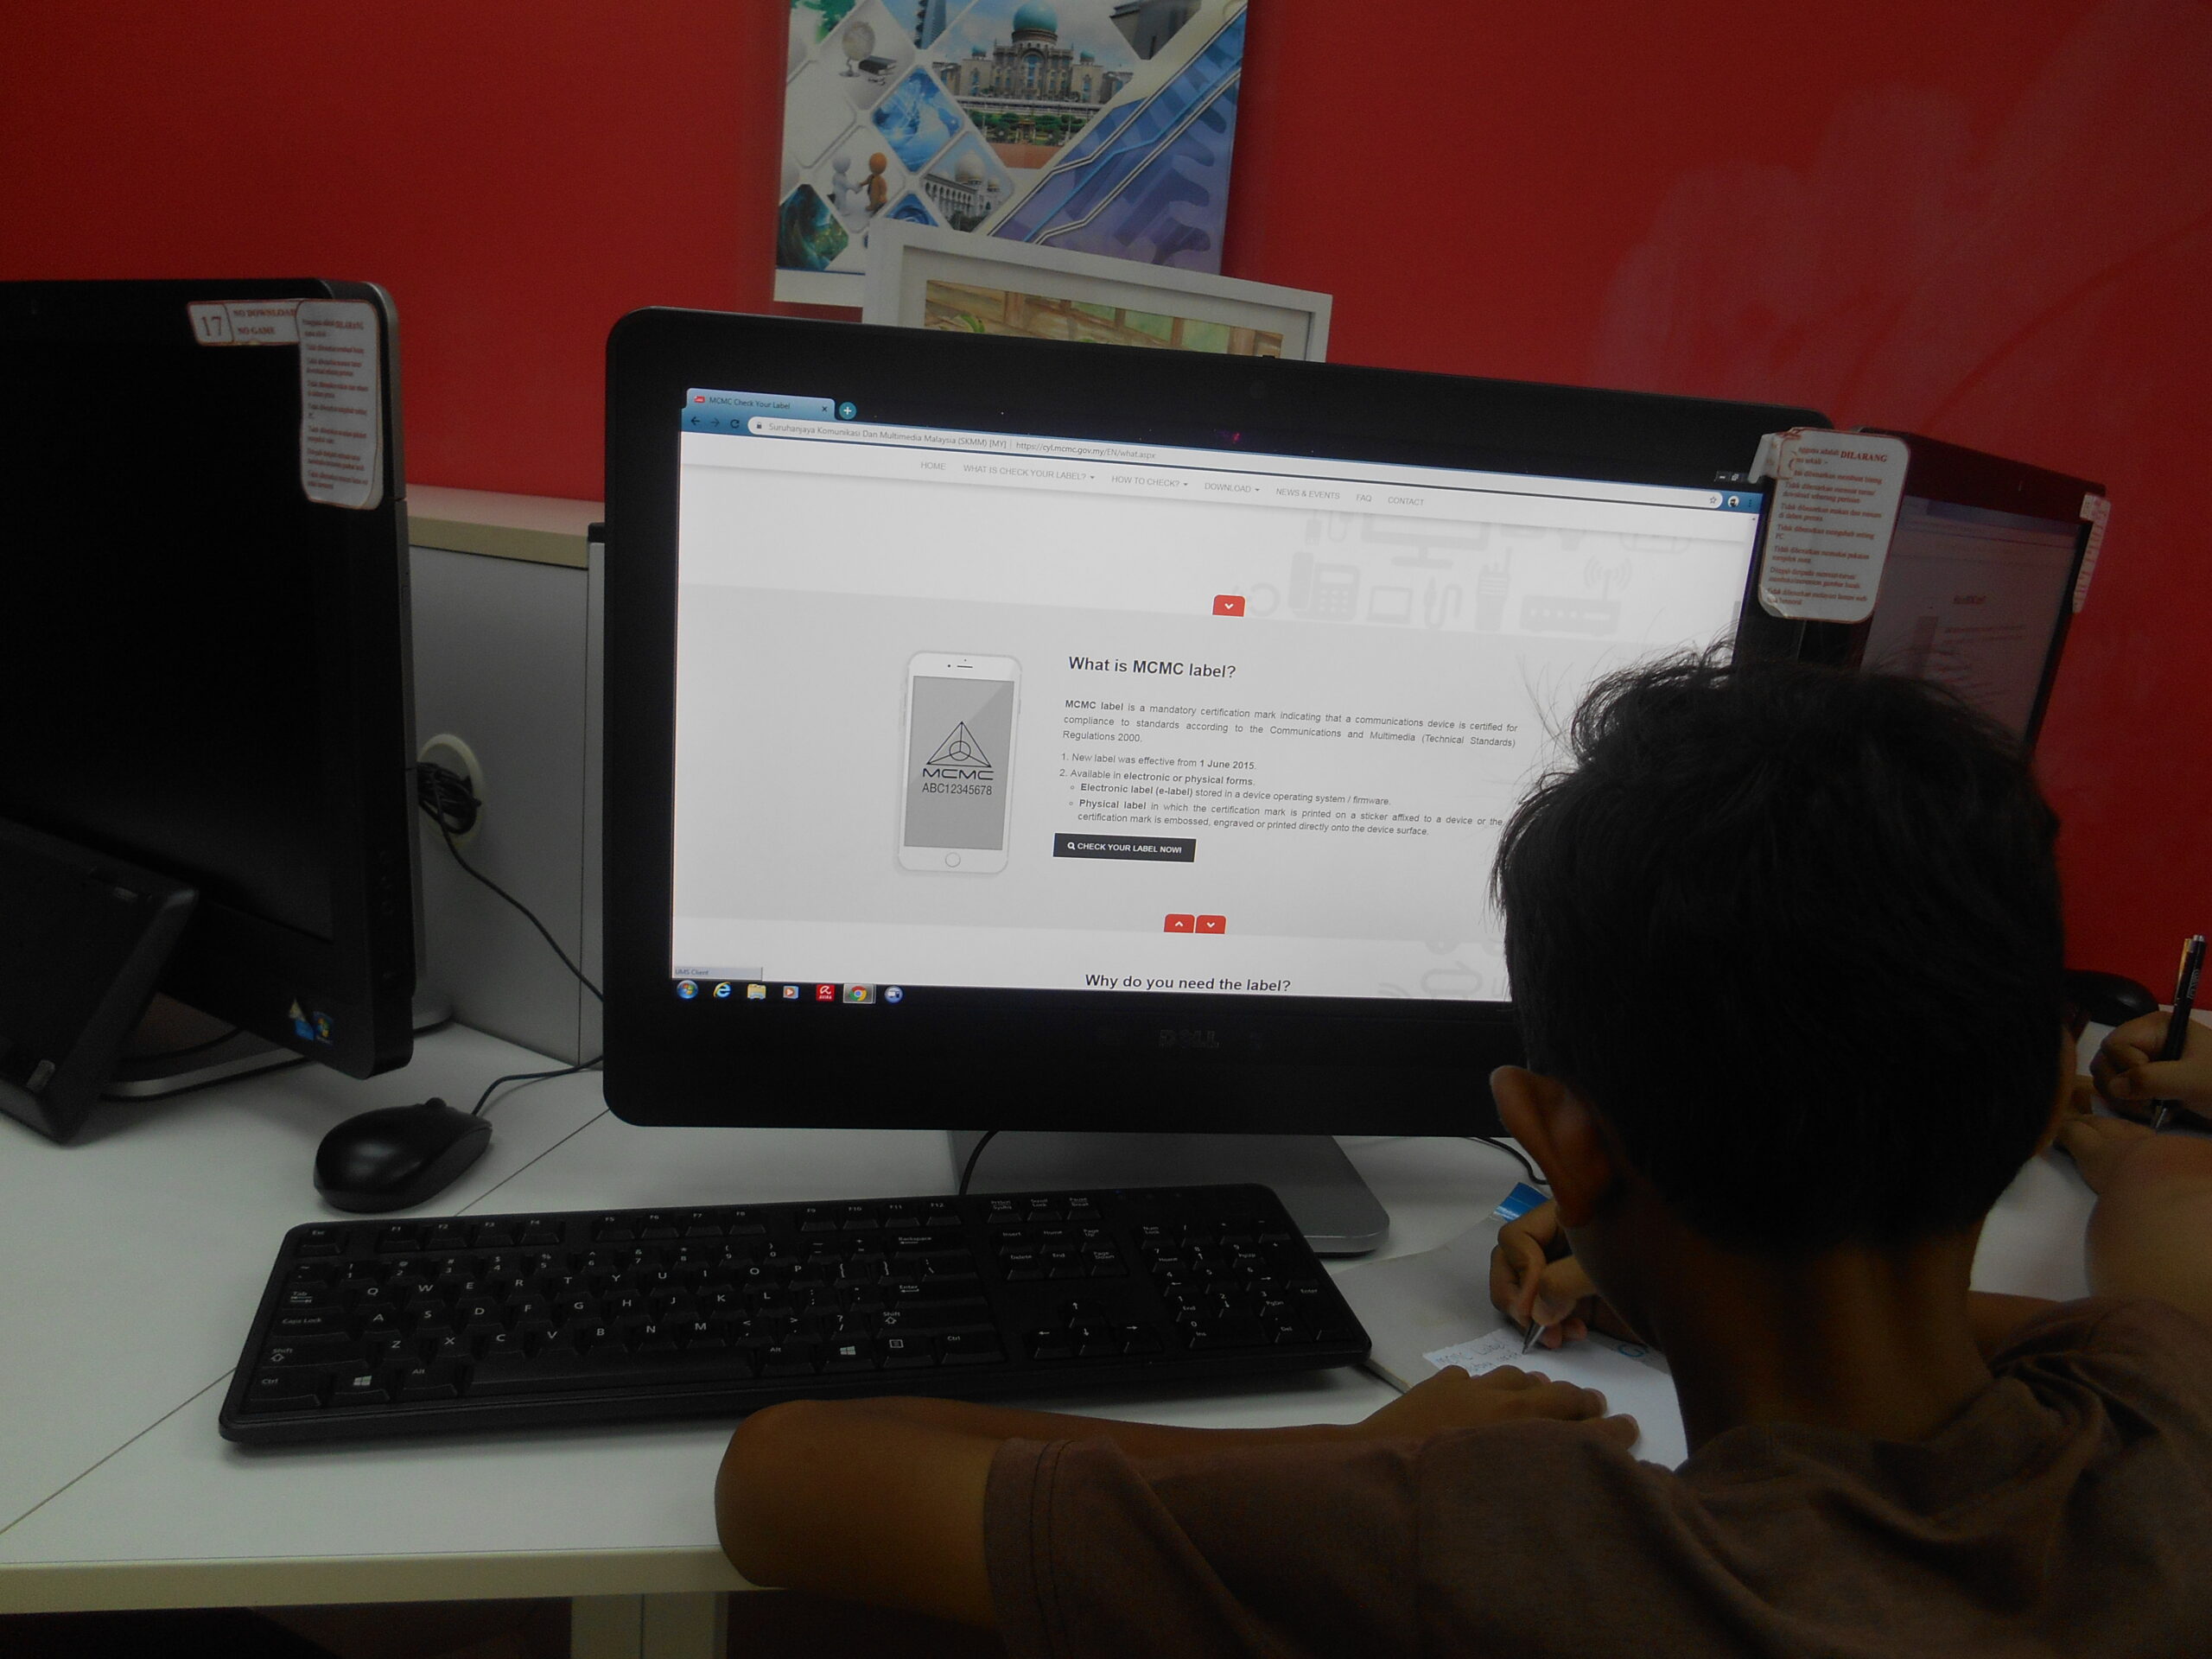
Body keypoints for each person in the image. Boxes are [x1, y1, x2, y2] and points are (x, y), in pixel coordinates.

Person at [715, 657, 2212, 1655]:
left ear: (1558, 1142)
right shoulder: (2166, 1415)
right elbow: (2151, 1218)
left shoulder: (1486, 1548)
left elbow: (785, 1477)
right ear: (2041, 1095)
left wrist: (1375, 1452)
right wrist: (1674, 1281)